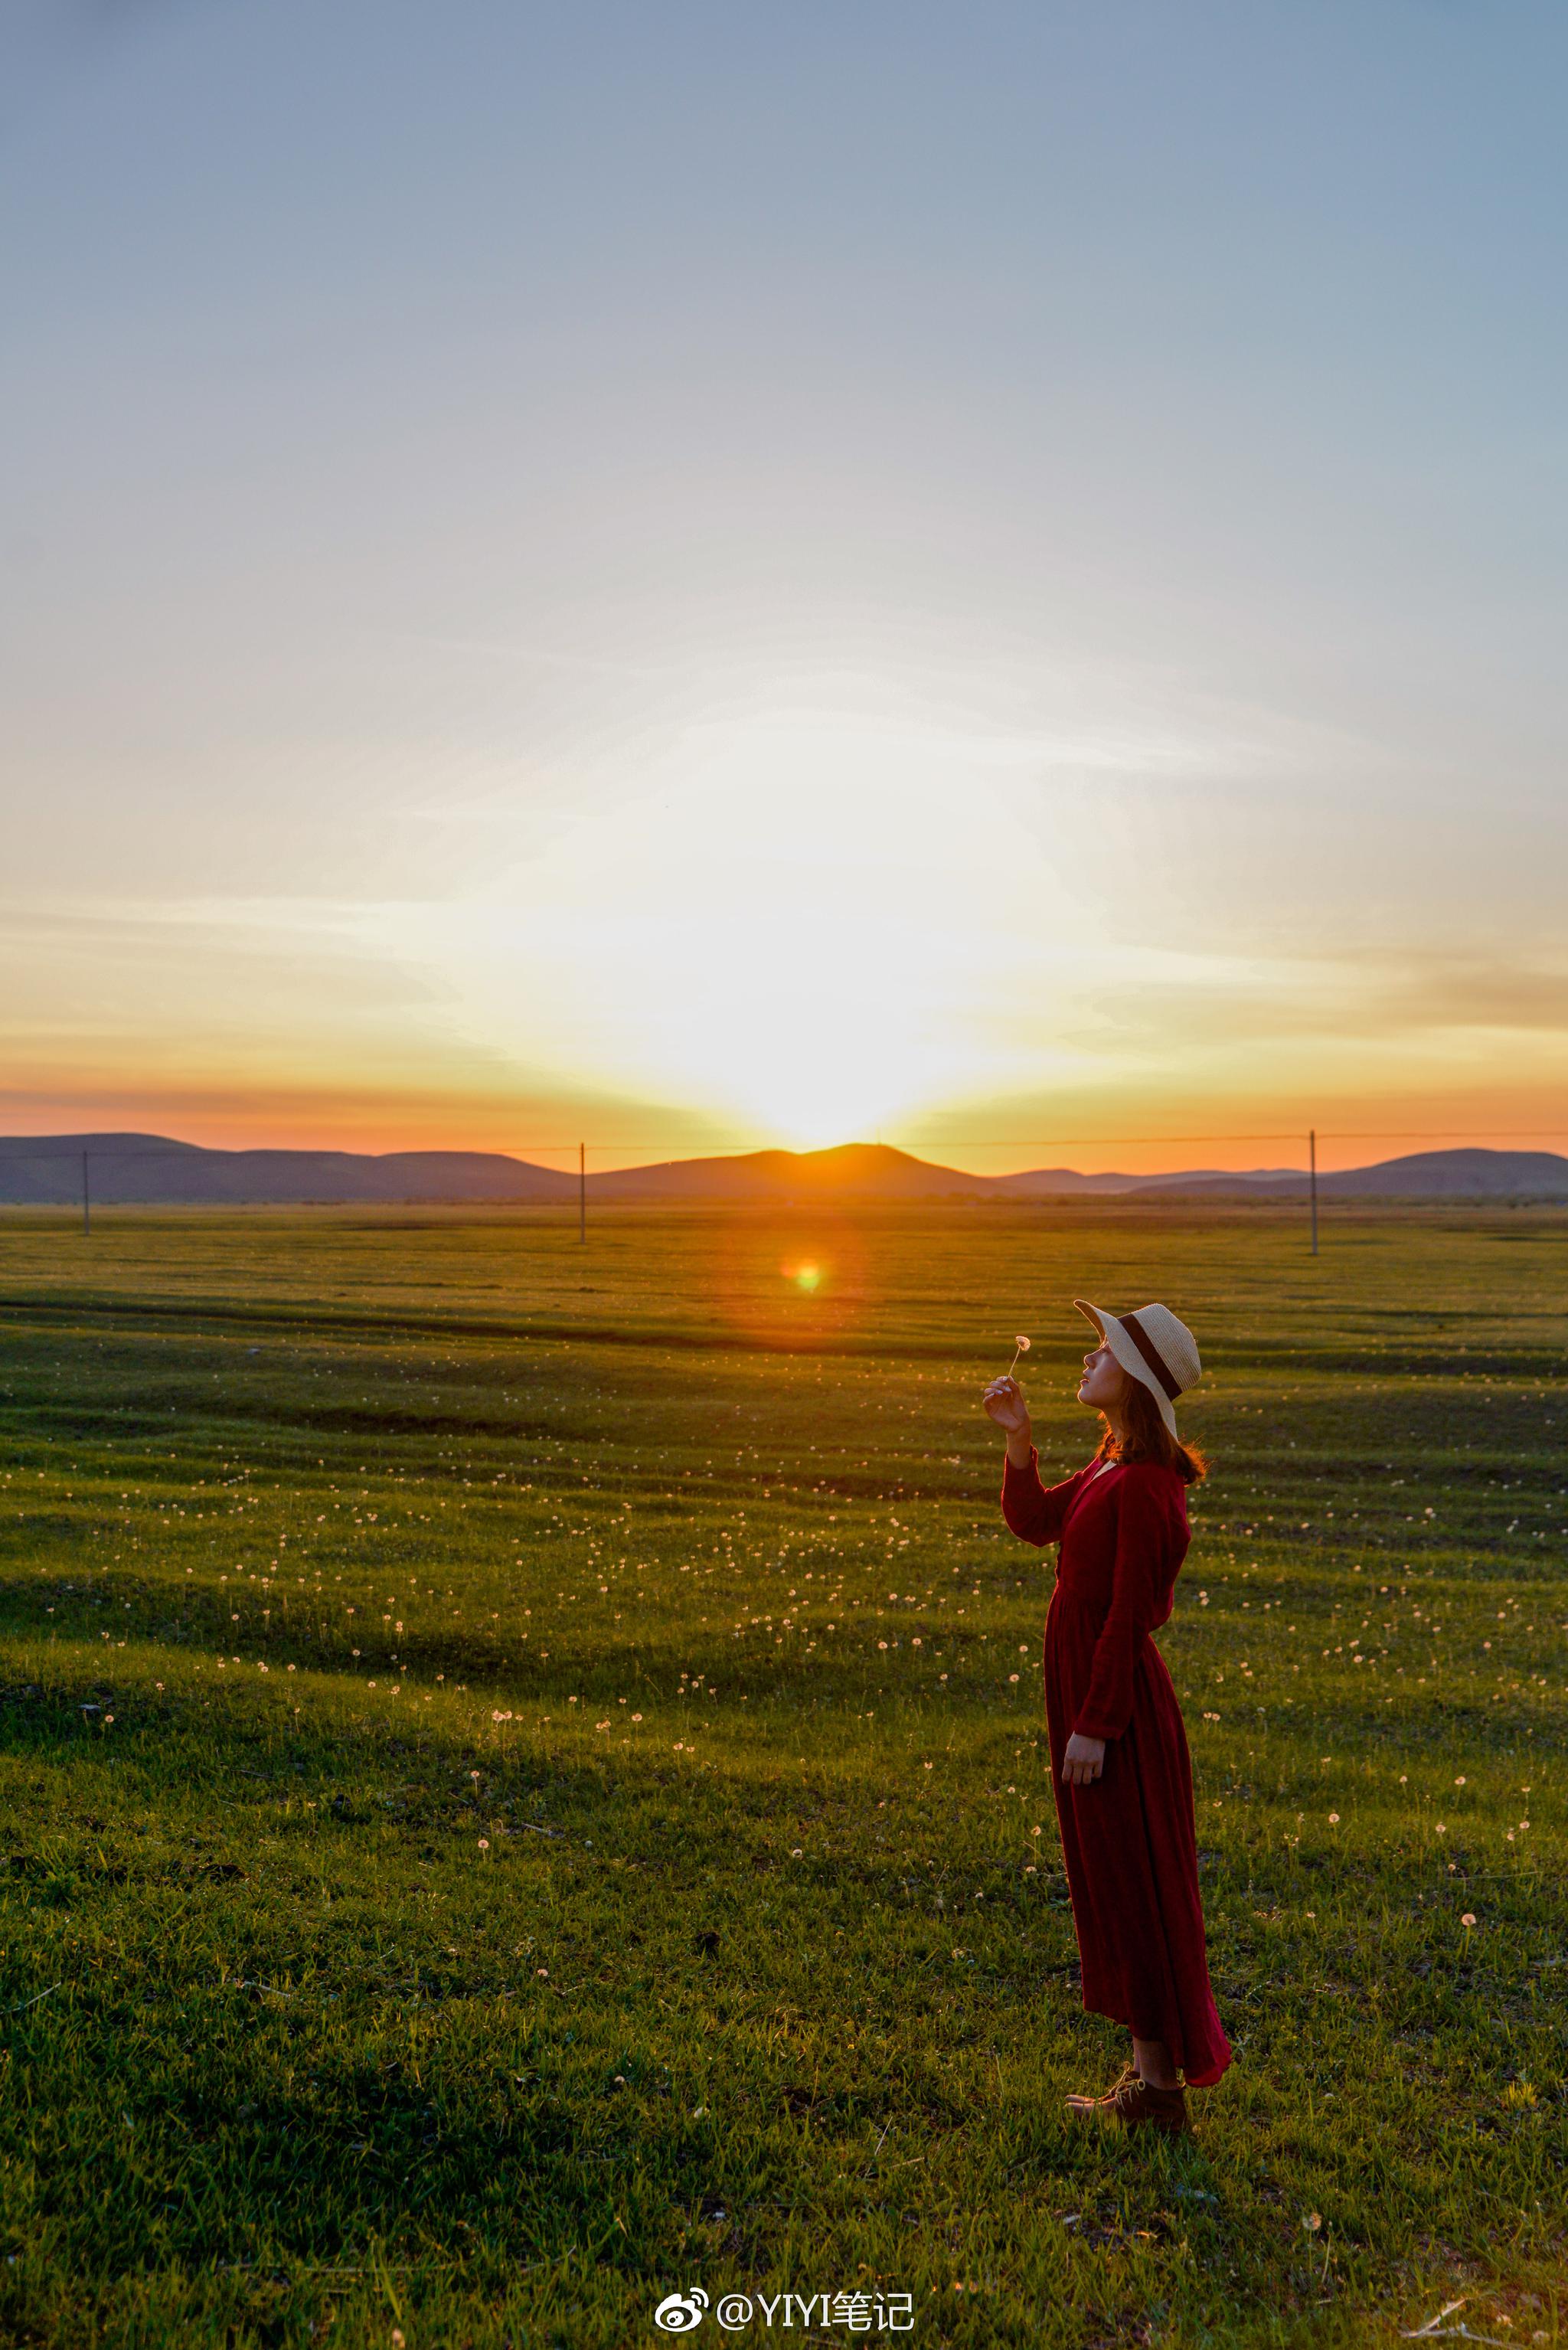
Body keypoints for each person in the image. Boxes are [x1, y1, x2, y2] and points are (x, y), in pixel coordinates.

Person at [982, 1299, 1231, 2136]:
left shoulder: (1149, 1487)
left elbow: (1130, 1615)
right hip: (1087, 1686)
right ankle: (1148, 2084)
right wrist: (1018, 1439)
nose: (1086, 1358)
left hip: (1112, 1700)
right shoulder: (1108, 1465)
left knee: (1135, 1883)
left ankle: (1158, 2094)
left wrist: (1095, 1724)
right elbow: (1033, 1524)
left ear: (1137, 1381)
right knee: (1113, 1881)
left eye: (1103, 1350)